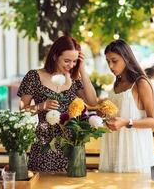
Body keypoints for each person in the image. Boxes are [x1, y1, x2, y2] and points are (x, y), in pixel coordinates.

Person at [17, 36, 97, 172]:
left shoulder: (74, 77)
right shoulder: (34, 76)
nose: (71, 65)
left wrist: (82, 70)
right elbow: (21, 110)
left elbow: (92, 101)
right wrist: (41, 106)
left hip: (72, 144)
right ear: (54, 56)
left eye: (74, 61)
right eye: (66, 61)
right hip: (44, 143)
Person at [99, 39, 154, 173]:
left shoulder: (141, 83)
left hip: (133, 150)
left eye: (114, 61)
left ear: (126, 58)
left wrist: (127, 122)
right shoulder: (116, 84)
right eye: (108, 61)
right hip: (113, 147)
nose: (111, 66)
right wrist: (103, 114)